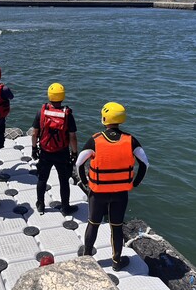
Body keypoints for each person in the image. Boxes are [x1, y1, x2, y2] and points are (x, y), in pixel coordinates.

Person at [76, 102, 149, 272]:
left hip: (98, 192)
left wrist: (85, 183)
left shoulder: (95, 140)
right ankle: (116, 261)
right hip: (120, 193)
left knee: (93, 223)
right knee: (116, 227)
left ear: (104, 118)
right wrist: (135, 182)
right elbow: (145, 163)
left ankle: (87, 257)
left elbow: (79, 163)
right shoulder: (131, 140)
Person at [31, 83, 79, 216]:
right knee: (64, 181)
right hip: (61, 152)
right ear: (62, 96)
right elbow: (72, 136)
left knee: (42, 179)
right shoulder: (67, 114)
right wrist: (74, 152)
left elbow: (35, 133)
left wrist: (34, 148)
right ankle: (65, 207)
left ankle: (40, 205)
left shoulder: (42, 111)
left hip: (45, 151)